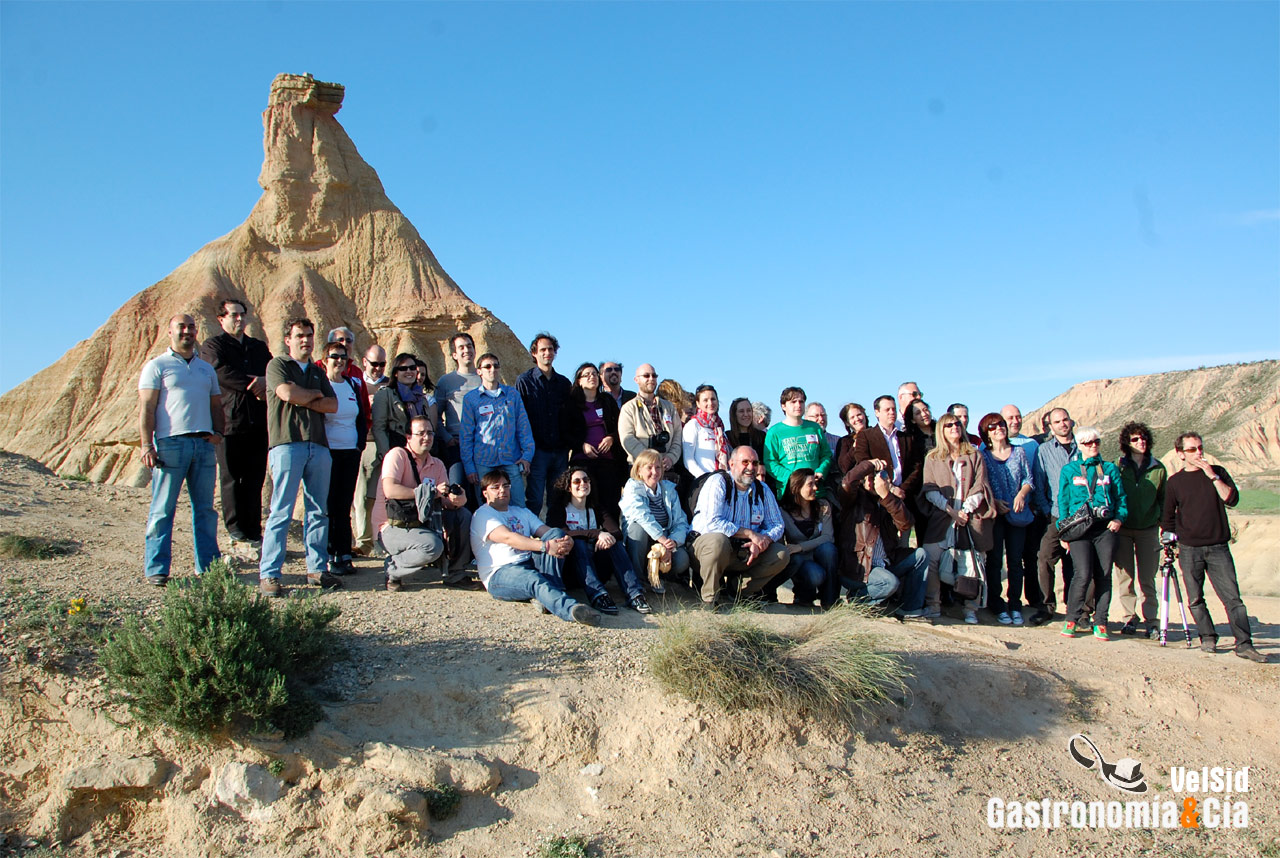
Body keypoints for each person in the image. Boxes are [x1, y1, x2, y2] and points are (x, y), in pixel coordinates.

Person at [1161, 432, 1265, 662]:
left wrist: (1212, 475)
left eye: (1200, 448)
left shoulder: (1217, 472)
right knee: (1195, 599)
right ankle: (1208, 636)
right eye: (1191, 449)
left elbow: (1231, 499)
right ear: (1180, 454)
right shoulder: (1175, 482)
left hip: (1218, 547)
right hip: (1189, 549)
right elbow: (1167, 518)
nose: (1198, 453)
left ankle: (1244, 644)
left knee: (1233, 599)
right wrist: (1170, 542)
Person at [139, 313, 224, 586]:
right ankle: (157, 569)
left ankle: (208, 568)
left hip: (203, 444)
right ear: (170, 332)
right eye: (181, 327)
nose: (187, 332)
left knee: (205, 510)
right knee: (163, 508)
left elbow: (215, 405)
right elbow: (147, 408)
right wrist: (146, 444)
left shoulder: (205, 369)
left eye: (190, 327)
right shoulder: (157, 366)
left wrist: (219, 432)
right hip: (170, 443)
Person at [259, 318, 339, 596]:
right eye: (299, 336)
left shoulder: (318, 372)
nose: (305, 340)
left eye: (308, 335)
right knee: (281, 510)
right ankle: (270, 574)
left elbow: (332, 405)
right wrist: (310, 395)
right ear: (288, 340)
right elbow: (285, 392)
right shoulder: (278, 366)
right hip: (286, 444)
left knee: (318, 511)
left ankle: (317, 570)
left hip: (317, 446)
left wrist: (306, 396)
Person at [470, 469, 601, 626]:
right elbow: (508, 538)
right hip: (501, 572)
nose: (502, 490)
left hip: (530, 561)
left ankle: (550, 595)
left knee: (556, 533)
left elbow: (547, 532)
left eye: (505, 486)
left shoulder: (520, 512)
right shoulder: (483, 515)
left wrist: (567, 540)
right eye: (495, 487)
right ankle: (571, 609)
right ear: (485, 493)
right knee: (535, 580)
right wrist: (545, 546)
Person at [199, 299, 271, 556]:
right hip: (230, 421)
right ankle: (236, 530)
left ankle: (253, 529)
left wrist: (264, 381)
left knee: (254, 478)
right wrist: (254, 383)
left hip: (258, 421)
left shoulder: (257, 347)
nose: (239, 319)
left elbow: (271, 372)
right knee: (231, 478)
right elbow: (220, 373)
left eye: (242, 315)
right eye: (233, 315)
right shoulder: (214, 346)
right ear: (222, 319)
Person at [376, 415, 475, 591]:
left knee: (463, 515)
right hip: (395, 526)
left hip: (425, 523)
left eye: (430, 433)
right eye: (420, 433)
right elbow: (390, 490)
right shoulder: (397, 455)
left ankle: (455, 573)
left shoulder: (436, 464)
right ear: (408, 437)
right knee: (432, 546)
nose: (426, 437)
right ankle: (393, 568)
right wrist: (430, 493)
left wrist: (457, 500)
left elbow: (444, 502)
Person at [689, 446, 790, 608]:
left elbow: (777, 524)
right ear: (731, 464)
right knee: (718, 541)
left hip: (745, 552)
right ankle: (710, 598)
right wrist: (750, 534)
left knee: (781, 554)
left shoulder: (763, 489)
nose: (751, 467)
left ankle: (739, 592)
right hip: (707, 551)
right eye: (745, 462)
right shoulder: (718, 482)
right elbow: (713, 523)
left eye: (754, 463)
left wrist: (762, 541)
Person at [920, 413, 996, 623]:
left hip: (971, 517)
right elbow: (929, 488)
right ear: (941, 431)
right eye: (949, 425)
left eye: (957, 424)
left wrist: (966, 510)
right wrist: (950, 510)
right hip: (942, 517)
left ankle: (970, 608)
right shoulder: (933, 458)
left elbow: (980, 486)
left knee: (973, 562)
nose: (954, 427)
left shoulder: (974, 455)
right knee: (931, 557)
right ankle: (933, 605)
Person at [547, 467, 652, 614]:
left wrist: (606, 537)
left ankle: (635, 594)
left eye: (586, 480)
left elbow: (616, 532)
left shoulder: (595, 508)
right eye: (576, 481)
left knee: (613, 542)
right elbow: (562, 533)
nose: (582, 483)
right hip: (571, 567)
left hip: (596, 567)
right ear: (568, 487)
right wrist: (597, 534)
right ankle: (598, 596)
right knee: (578, 543)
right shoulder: (558, 510)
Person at [1055, 426, 1127, 640]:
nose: (1093, 445)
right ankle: (1072, 618)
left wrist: (1118, 518)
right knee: (1082, 573)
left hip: (1105, 528)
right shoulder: (1070, 470)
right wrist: (1063, 532)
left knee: (1104, 575)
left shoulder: (1110, 469)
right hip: (1079, 528)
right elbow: (1063, 502)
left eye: (1096, 441)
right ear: (1080, 445)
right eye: (1088, 443)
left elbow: (1121, 498)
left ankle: (1101, 621)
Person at [837, 460, 929, 615]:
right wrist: (869, 464)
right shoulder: (855, 500)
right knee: (889, 582)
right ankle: (857, 600)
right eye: (870, 478)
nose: (874, 482)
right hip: (860, 567)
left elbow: (906, 524)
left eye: (879, 478)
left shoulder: (889, 500)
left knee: (921, 555)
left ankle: (910, 608)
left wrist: (886, 496)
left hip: (886, 562)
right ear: (863, 481)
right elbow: (847, 484)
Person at [978, 412, 1034, 625]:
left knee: (1015, 561)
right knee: (994, 561)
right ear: (986, 433)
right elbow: (982, 484)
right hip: (995, 515)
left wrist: (1022, 493)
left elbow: (1029, 479)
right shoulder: (983, 455)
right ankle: (996, 604)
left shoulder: (1019, 452)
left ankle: (1015, 605)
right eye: (992, 427)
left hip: (1017, 513)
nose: (999, 428)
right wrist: (994, 502)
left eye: (1001, 424)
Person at [460, 353, 535, 507]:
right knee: (487, 509)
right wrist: (469, 467)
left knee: (518, 506)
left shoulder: (512, 395)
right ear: (479, 371)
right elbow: (466, 435)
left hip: (510, 460)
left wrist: (527, 455)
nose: (492, 369)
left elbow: (523, 427)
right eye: (487, 366)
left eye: (496, 365)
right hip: (483, 463)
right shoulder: (471, 399)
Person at [1113, 421, 1166, 637]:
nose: (1140, 442)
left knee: (1147, 578)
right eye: (1135, 439)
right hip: (1123, 529)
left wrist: (1162, 524)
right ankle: (1129, 619)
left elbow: (1163, 500)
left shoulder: (1158, 468)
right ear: (1127, 442)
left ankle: (1152, 621)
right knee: (1126, 577)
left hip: (1148, 530)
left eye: (1143, 438)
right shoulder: (1118, 467)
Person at [321, 340, 367, 576]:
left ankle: (344, 552)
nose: (339, 361)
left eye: (343, 357)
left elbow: (360, 416)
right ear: (325, 359)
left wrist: (359, 445)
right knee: (329, 504)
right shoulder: (321, 384)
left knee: (344, 503)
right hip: (328, 452)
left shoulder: (351, 384)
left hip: (350, 451)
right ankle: (329, 554)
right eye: (334, 357)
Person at [1029, 407, 1079, 625]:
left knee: (1076, 563)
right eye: (1057, 422)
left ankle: (1076, 609)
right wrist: (1047, 508)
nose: (1063, 424)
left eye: (1065, 420)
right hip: (1056, 515)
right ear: (1050, 426)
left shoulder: (1084, 447)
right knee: (1045, 558)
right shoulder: (1045, 450)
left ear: (1071, 422)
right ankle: (1047, 606)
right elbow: (1039, 483)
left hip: (1082, 515)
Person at [619, 449, 692, 591]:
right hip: (642, 542)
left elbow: (680, 521)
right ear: (639, 470)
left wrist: (672, 542)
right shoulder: (632, 488)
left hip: (664, 541)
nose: (654, 471)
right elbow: (642, 516)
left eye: (658, 467)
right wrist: (662, 539)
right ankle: (638, 580)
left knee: (682, 559)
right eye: (649, 467)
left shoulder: (670, 490)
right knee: (637, 529)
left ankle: (657, 577)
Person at [372, 353, 437, 510]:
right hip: (396, 449)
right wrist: (386, 455)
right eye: (403, 368)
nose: (409, 371)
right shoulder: (385, 394)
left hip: (418, 455)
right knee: (389, 496)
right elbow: (379, 427)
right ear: (395, 372)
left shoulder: (421, 397)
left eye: (412, 368)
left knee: (414, 495)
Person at [560, 362, 625, 518]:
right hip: (583, 461)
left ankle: (612, 536)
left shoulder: (607, 401)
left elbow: (622, 426)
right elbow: (565, 433)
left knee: (610, 503)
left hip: (608, 461)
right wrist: (582, 446)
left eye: (595, 374)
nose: (592, 377)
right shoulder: (571, 405)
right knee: (588, 501)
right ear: (579, 381)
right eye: (587, 375)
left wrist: (611, 438)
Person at [517, 332, 571, 516]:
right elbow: (520, 417)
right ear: (534, 353)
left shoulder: (564, 383)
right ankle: (531, 540)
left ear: (555, 352)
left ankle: (555, 538)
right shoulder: (524, 381)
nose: (547, 353)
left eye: (550, 349)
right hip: (537, 450)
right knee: (535, 498)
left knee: (557, 498)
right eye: (542, 350)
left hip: (560, 451)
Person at [776, 468, 838, 608]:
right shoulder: (783, 512)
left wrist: (800, 547)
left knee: (829, 549)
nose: (815, 488)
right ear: (797, 488)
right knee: (815, 575)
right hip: (800, 560)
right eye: (810, 484)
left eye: (815, 483)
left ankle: (830, 601)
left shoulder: (823, 506)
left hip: (818, 554)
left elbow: (828, 537)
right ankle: (803, 596)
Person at [763, 386, 833, 499]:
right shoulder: (774, 432)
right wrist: (792, 477)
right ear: (783, 406)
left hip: (817, 492)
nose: (798, 405)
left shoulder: (814, 428)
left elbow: (826, 455)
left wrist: (821, 471)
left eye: (801, 401)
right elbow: (770, 462)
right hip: (790, 493)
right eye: (793, 402)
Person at [353, 344, 390, 556]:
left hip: (384, 444)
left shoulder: (389, 385)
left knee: (380, 495)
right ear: (364, 361)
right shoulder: (356, 384)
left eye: (382, 364)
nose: (377, 368)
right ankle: (363, 541)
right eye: (374, 363)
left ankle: (379, 541)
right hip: (363, 442)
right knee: (360, 496)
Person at [435, 332, 481, 489]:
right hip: (457, 446)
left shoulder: (484, 378)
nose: (466, 350)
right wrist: (447, 438)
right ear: (454, 354)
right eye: (461, 347)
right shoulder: (446, 381)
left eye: (469, 346)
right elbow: (435, 416)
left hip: (482, 447)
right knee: (457, 490)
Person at [618, 364, 681, 471]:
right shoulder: (628, 408)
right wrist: (650, 459)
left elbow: (677, 435)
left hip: (667, 467)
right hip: (640, 467)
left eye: (654, 376)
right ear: (636, 379)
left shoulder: (669, 407)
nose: (651, 379)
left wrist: (671, 457)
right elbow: (627, 438)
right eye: (646, 376)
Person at [853, 396, 911, 505]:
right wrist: (891, 489)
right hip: (878, 498)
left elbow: (914, 466)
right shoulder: (866, 436)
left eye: (893, 409)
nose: (891, 412)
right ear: (877, 412)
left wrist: (903, 489)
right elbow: (863, 462)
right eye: (887, 410)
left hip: (905, 496)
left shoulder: (905, 438)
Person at [682, 384, 731, 478]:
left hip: (722, 480)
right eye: (705, 400)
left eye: (713, 399)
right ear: (698, 403)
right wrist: (705, 478)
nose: (710, 403)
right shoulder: (693, 425)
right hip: (704, 480)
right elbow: (688, 460)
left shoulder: (720, 428)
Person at [833, 402, 869, 475]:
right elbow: (843, 468)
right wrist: (854, 448)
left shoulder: (876, 434)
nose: (857, 419)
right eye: (852, 417)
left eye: (859, 415)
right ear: (847, 423)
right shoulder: (845, 441)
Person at [726, 397, 766, 461]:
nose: (746, 414)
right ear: (734, 415)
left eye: (749, 410)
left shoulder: (761, 436)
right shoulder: (727, 437)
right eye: (741, 411)